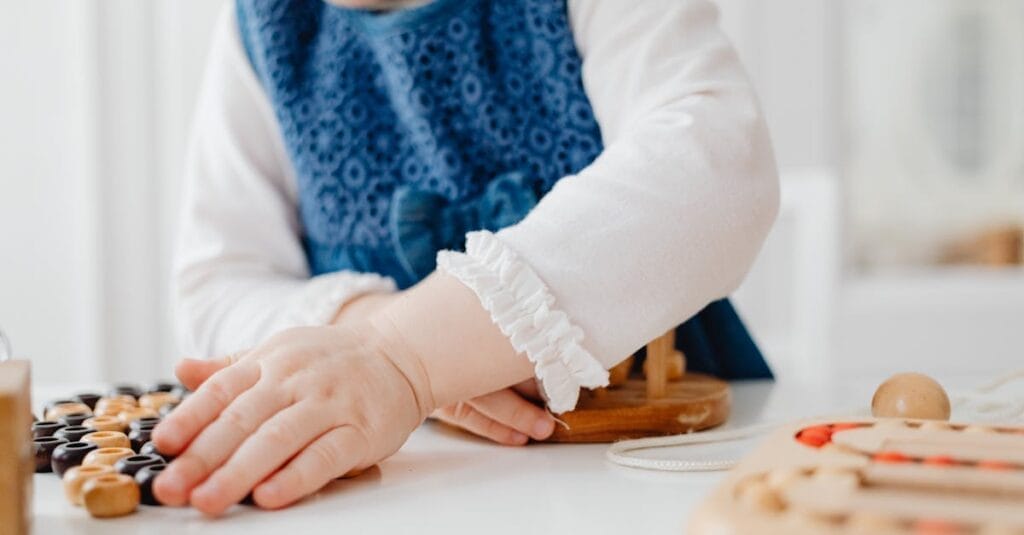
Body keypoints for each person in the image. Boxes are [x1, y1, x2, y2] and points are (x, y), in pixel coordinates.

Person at [151, 0, 779, 515]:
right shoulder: (264, 26)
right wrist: (369, 341)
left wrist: (405, 353)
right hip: (409, 483)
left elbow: (716, 163)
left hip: (652, 463)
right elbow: (217, 281)